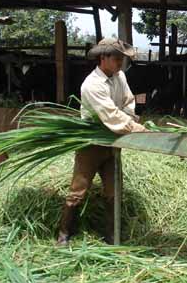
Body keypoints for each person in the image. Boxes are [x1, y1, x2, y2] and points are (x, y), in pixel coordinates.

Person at [57, 38, 147, 245]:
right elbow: (111, 115)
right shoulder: (92, 85)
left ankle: (111, 235)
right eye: (116, 58)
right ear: (103, 57)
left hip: (113, 142)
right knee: (78, 191)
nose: (120, 62)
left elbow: (128, 101)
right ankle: (63, 234)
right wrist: (136, 128)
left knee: (114, 191)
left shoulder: (119, 76)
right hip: (92, 143)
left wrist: (130, 119)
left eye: (122, 58)